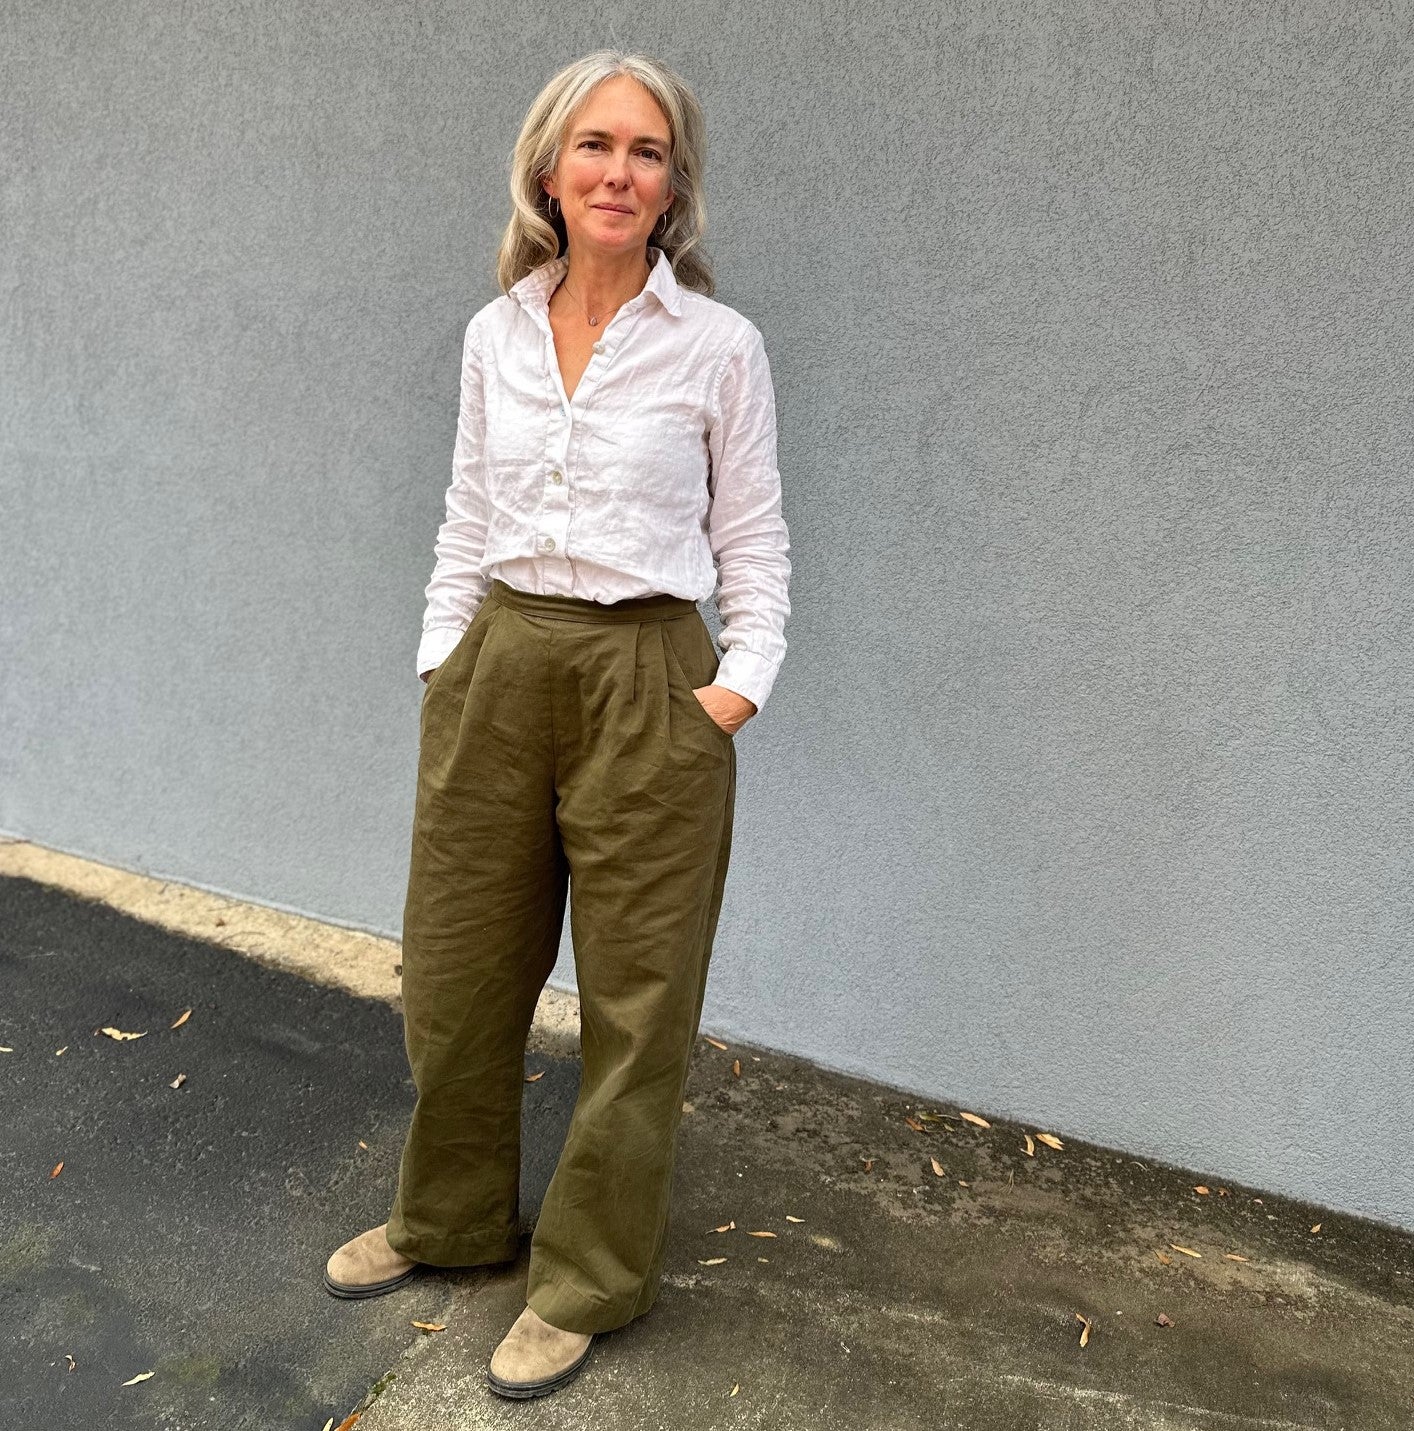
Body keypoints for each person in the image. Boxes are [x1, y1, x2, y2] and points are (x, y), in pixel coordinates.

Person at [322, 50, 791, 1401]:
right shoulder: (497, 334)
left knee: (639, 1005)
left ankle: (586, 1276)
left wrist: (731, 690)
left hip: (651, 673)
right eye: (596, 145)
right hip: (501, 660)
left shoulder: (719, 347)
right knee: (460, 967)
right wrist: (443, 658)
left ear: (672, 186)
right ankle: (450, 1223)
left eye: (648, 152)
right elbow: (467, 513)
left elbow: (751, 539)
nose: (620, 172)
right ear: (549, 169)